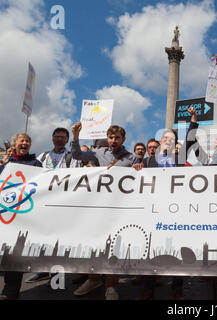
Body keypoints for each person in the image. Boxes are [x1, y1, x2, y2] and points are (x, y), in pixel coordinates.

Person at [134, 107, 199, 299]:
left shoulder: (180, 158)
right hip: (153, 212)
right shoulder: (147, 161)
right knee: (151, 249)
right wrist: (137, 169)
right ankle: (149, 288)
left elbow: (190, 138)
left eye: (171, 139)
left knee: (176, 248)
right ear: (160, 142)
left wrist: (193, 118)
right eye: (165, 138)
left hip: (175, 211)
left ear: (175, 144)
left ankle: (176, 287)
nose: (167, 141)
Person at [70, 122, 140, 300]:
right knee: (95, 244)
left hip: (119, 209)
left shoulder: (131, 158)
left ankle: (111, 285)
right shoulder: (99, 153)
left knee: (114, 246)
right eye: (110, 137)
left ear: (123, 139)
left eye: (117, 137)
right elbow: (77, 154)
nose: (113, 140)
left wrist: (139, 169)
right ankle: (93, 279)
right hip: (99, 206)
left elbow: (140, 180)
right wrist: (76, 136)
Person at [25, 128, 80, 284]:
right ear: (52, 138)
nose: (60, 139)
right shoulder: (42, 156)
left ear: (67, 140)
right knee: (43, 238)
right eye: (57, 136)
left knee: (58, 240)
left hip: (62, 202)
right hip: (44, 203)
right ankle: (43, 270)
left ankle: (56, 276)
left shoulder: (71, 158)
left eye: (63, 137)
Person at [0, 133, 43, 300]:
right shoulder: (4, 166)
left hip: (26, 216)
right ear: (14, 145)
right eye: (22, 140)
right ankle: (10, 290)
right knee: (6, 252)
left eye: (28, 141)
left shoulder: (37, 164)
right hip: (6, 215)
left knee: (17, 253)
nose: (25, 143)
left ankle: (11, 291)